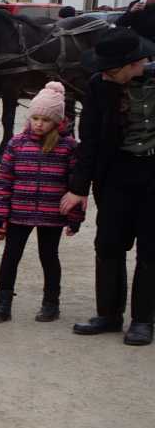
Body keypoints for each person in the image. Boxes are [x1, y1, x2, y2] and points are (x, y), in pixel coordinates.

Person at [61, 27, 155, 345]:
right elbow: (90, 140)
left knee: (151, 251)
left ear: (133, 65)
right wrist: (78, 187)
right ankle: (109, 314)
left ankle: (143, 320)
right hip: (115, 175)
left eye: (109, 71)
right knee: (108, 245)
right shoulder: (98, 86)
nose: (102, 76)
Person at [0, 82, 82, 324]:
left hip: (52, 213)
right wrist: (0, 215)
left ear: (58, 121)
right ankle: (3, 305)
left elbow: (75, 185)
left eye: (45, 120)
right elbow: (4, 181)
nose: (39, 124)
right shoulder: (16, 143)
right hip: (19, 212)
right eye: (35, 117)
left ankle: (51, 303)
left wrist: (74, 217)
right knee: (11, 256)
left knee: (48, 256)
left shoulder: (68, 147)